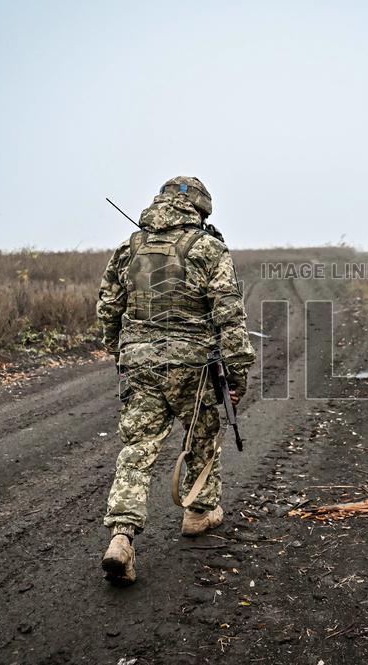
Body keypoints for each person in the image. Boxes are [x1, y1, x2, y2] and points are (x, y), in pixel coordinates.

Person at [95, 176, 255, 584]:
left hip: (140, 363)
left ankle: (121, 537)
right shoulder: (209, 249)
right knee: (201, 435)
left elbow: (108, 310)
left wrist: (121, 353)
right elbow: (229, 318)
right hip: (192, 367)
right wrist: (237, 374)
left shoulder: (127, 249)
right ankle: (198, 513)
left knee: (138, 449)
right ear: (201, 210)